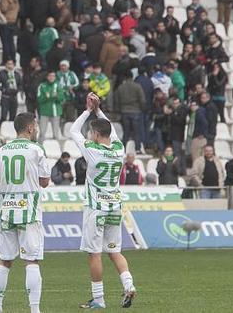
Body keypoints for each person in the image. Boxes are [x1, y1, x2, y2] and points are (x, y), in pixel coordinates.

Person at [69, 93, 137, 309]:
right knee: (115, 251)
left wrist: (88, 110)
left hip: (96, 207)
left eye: (91, 132)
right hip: (115, 206)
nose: (89, 135)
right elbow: (112, 131)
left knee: (94, 253)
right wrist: (98, 110)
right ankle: (129, 285)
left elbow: (73, 130)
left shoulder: (91, 149)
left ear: (97, 134)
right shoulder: (119, 148)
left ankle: (98, 299)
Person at [0, 112, 50, 313]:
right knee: (31, 260)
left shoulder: (1, 151)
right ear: (31, 127)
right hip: (29, 209)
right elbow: (44, 181)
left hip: (6, 207)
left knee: (5, 259)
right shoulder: (36, 149)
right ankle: (35, 310)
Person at [115, 76, 146, 153]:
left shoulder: (120, 87)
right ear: (132, 77)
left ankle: (124, 148)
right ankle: (137, 148)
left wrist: (119, 110)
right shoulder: (137, 86)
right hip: (136, 111)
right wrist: (143, 109)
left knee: (126, 132)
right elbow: (142, 99)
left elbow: (117, 100)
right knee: (136, 132)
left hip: (124, 111)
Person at [37, 71, 65, 141]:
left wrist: (55, 96)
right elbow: (39, 99)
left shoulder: (58, 85)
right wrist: (49, 97)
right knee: (42, 133)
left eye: (53, 76)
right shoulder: (42, 86)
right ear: (47, 77)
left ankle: (56, 148)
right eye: (50, 76)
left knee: (56, 134)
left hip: (56, 111)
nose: (51, 77)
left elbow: (62, 98)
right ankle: (41, 148)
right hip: (44, 111)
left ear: (55, 77)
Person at [0, 59, 22, 125]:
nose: (10, 66)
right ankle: (1, 129)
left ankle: (11, 131)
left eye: (11, 64)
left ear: (14, 65)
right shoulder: (2, 73)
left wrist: (17, 90)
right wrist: (4, 89)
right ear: (6, 65)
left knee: (13, 116)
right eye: (8, 64)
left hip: (14, 97)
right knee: (3, 116)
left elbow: (21, 85)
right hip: (5, 97)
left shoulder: (17, 74)